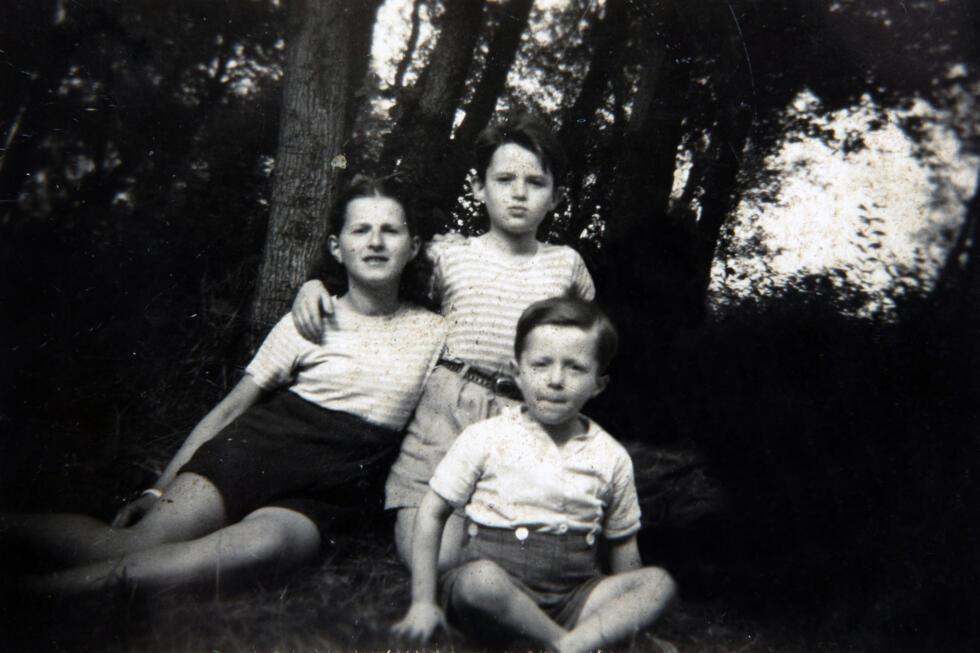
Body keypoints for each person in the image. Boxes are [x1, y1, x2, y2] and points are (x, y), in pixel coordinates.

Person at [5, 174, 446, 595]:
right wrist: (159, 488)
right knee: (132, 544)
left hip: (332, 493)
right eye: (360, 230)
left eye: (390, 230)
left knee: (255, 550)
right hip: (253, 455)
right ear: (337, 246)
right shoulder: (309, 319)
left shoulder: (435, 332)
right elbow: (232, 410)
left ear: (414, 246)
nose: (374, 242)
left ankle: (42, 593)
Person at [291, 112, 596, 568]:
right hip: (447, 405)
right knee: (430, 554)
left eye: (535, 182)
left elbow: (584, 344)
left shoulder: (567, 265)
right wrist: (316, 283)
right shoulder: (447, 255)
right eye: (504, 179)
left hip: (525, 415)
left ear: (555, 197)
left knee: (524, 544)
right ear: (479, 188)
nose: (518, 192)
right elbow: (379, 284)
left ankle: (494, 573)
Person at [392, 296, 677, 653]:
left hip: (574, 597)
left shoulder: (610, 455)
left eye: (575, 368)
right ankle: (576, 643)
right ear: (517, 372)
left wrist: (630, 615)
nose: (556, 380)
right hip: (491, 596)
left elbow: (623, 544)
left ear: (598, 385)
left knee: (657, 583)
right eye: (541, 364)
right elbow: (432, 512)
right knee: (480, 581)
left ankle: (566, 644)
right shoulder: (486, 436)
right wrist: (422, 601)